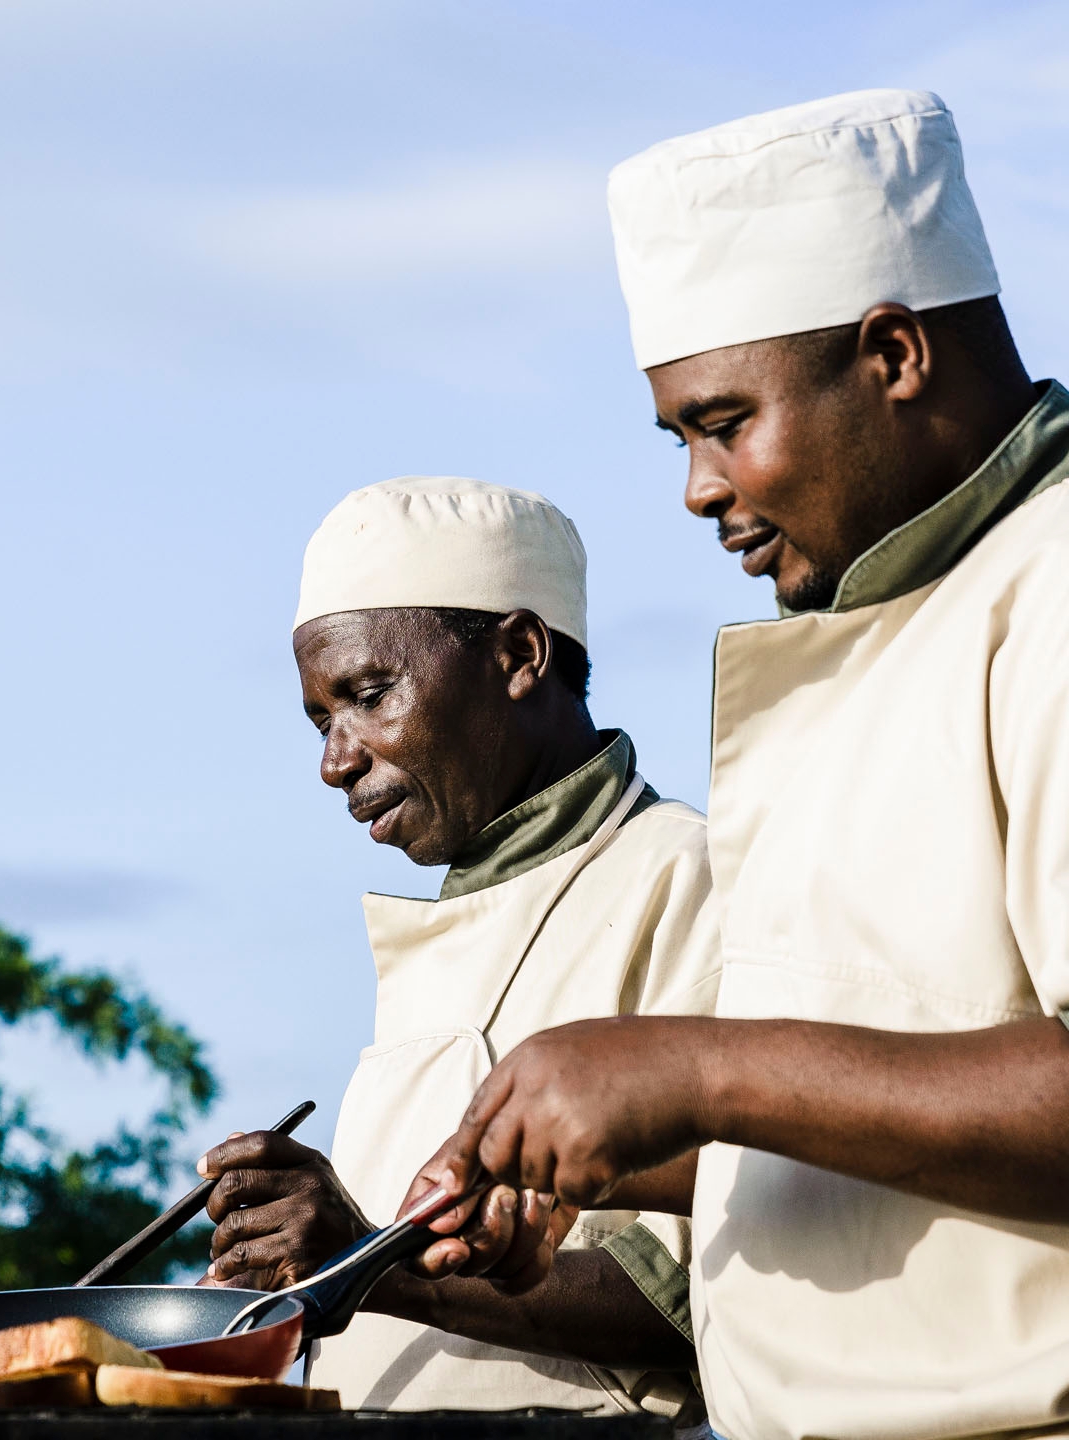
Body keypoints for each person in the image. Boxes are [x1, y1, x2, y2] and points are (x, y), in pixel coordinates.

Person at [401, 91, 1069, 1440]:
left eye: (723, 421)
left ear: (893, 353)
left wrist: (693, 1070)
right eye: (680, 439)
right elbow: (898, 1106)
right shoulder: (892, 638)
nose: (698, 488)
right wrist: (625, 1151)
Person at [197, 476, 717, 1417]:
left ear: (520, 654)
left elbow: (702, 1302)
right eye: (322, 719)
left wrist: (362, 1264)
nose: (335, 760)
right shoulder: (443, 936)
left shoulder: (686, 876)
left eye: (368, 694)